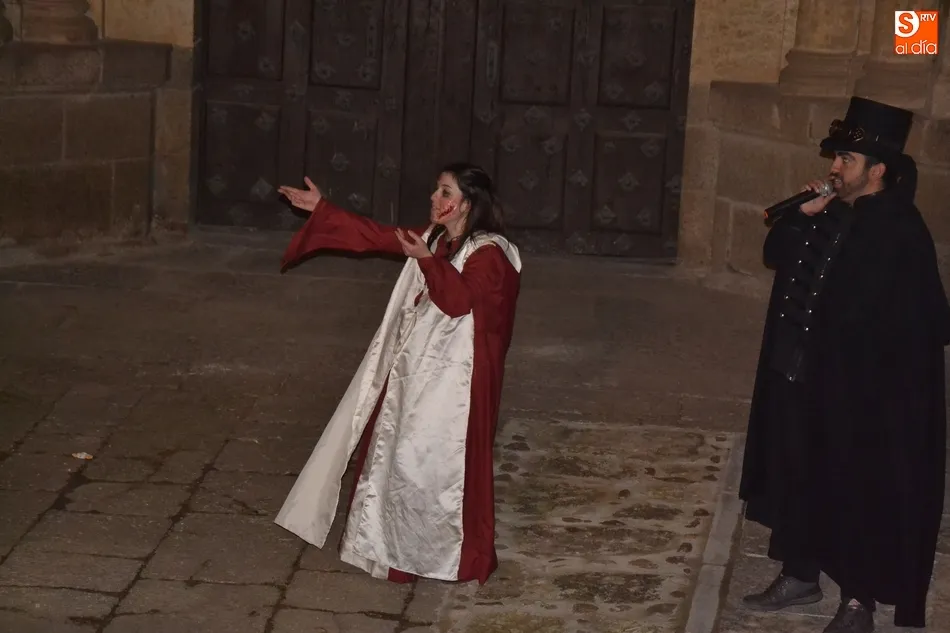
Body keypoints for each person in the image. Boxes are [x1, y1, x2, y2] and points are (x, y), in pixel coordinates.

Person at [738, 96, 950, 633]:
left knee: (856, 492)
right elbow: (776, 255)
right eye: (836, 158)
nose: (834, 168)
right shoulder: (829, 211)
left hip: (860, 396)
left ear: (876, 171)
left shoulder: (901, 230)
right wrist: (802, 215)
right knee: (798, 474)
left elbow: (928, 320)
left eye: (846, 160)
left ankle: (858, 602)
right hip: (801, 378)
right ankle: (800, 574)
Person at [272, 162, 522, 585]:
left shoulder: (490, 253)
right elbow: (377, 236)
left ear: (467, 204)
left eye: (446, 193)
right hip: (417, 372)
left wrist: (426, 261)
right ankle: (389, 549)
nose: (434, 198)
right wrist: (323, 210)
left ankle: (439, 554)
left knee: (431, 465)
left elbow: (459, 302)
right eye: (437, 189)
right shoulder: (437, 237)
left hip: (456, 387)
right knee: (397, 454)